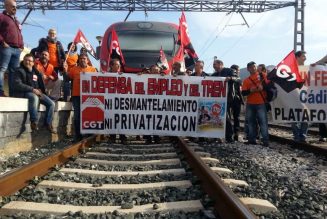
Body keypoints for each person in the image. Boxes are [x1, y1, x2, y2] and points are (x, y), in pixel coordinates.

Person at [12, 54, 56, 133]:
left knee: (52, 103)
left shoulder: (36, 72)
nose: (27, 62)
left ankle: (48, 123)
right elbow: (17, 84)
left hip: (36, 92)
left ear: (33, 63)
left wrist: (41, 90)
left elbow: (39, 84)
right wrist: (32, 89)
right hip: (24, 93)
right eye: (26, 60)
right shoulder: (18, 70)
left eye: (29, 61)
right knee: (34, 97)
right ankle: (34, 122)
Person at [64, 53, 97, 142]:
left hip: (89, 97)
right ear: (79, 60)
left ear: (87, 60)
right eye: (81, 58)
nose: (82, 60)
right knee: (77, 116)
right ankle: (77, 136)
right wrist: (65, 70)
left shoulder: (93, 69)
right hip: (76, 96)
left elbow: (98, 81)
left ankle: (89, 134)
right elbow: (67, 79)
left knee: (89, 116)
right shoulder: (74, 69)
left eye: (84, 58)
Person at [211, 59, 240, 143]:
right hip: (218, 100)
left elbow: (238, 78)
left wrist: (230, 78)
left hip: (228, 98)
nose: (213, 66)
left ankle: (229, 137)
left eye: (214, 64)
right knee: (217, 117)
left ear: (220, 64)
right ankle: (217, 136)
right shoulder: (214, 75)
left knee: (227, 118)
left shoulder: (229, 71)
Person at [241, 61, 269, 146]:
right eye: (251, 67)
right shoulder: (246, 80)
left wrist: (263, 87)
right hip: (250, 103)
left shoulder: (263, 75)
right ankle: (252, 140)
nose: (253, 68)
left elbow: (269, 86)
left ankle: (265, 141)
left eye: (254, 67)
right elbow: (244, 93)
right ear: (248, 69)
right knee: (251, 122)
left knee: (263, 122)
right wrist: (251, 90)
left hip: (261, 103)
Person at [0, 0, 24, 97]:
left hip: (16, 49)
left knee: (14, 72)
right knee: (2, 69)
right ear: (6, 6)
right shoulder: (2, 17)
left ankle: (12, 92)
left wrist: (21, 45)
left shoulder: (17, 21)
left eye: (16, 7)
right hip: (6, 47)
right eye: (13, 6)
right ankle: (0, 91)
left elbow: (20, 34)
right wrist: (2, 42)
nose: (15, 8)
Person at [108, 59, 127, 144]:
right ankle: (112, 137)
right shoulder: (106, 75)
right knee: (112, 119)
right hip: (111, 102)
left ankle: (123, 137)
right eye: (116, 65)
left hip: (121, 101)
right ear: (111, 66)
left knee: (121, 119)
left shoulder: (122, 75)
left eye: (119, 65)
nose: (119, 66)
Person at [291, 51, 309, 142]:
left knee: (305, 118)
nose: (305, 58)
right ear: (297, 57)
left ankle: (302, 136)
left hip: (305, 97)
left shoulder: (307, 69)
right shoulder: (291, 69)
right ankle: (296, 135)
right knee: (294, 118)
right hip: (294, 97)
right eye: (303, 56)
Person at [313, 54, 327, 142]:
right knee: (322, 115)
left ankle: (323, 135)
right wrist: (315, 64)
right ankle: (323, 135)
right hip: (323, 93)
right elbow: (321, 61)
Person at [230, 64, 244, 141]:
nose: (238, 72)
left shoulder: (238, 79)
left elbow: (240, 84)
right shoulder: (228, 78)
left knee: (236, 118)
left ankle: (236, 134)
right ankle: (232, 133)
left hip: (236, 100)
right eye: (237, 70)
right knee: (231, 118)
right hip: (231, 100)